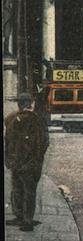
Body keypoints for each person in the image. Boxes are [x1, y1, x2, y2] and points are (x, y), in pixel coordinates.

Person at [4, 93, 49, 231]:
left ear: (19, 104)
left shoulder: (10, 118)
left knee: (17, 190)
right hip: (30, 163)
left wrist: (9, 159)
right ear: (31, 103)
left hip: (15, 162)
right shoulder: (38, 119)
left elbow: (7, 140)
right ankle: (27, 220)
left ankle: (19, 216)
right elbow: (44, 142)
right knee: (29, 192)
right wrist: (37, 158)